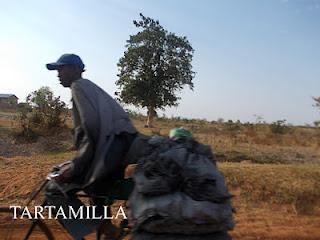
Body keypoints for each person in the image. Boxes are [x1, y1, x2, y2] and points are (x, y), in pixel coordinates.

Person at [45, 53, 137, 239]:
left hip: (107, 157)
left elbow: (92, 132)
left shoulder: (79, 87)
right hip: (114, 155)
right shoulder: (90, 88)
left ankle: (101, 226)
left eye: (62, 68)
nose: (58, 74)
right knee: (96, 194)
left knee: (53, 189)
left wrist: (73, 168)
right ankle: (106, 228)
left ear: (76, 70)